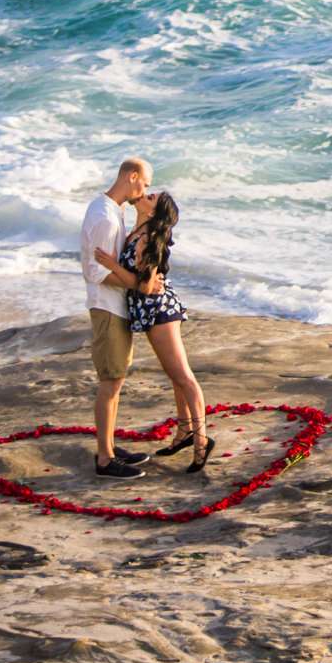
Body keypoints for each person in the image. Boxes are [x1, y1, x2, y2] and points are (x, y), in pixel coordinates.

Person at [120, 188, 213, 473]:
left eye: (151, 197)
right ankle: (184, 433)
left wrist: (108, 264)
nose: (145, 194)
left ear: (153, 211)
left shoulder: (147, 238)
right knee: (175, 375)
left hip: (159, 310)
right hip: (152, 310)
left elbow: (147, 285)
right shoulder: (137, 231)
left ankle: (202, 441)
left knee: (184, 377)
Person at [78, 158, 153, 479]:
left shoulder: (113, 211)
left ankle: (108, 444)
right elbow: (95, 271)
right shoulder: (105, 217)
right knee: (110, 382)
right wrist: (139, 284)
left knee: (116, 379)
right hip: (107, 306)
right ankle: (105, 459)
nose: (146, 189)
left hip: (115, 305)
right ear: (132, 177)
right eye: (146, 183)